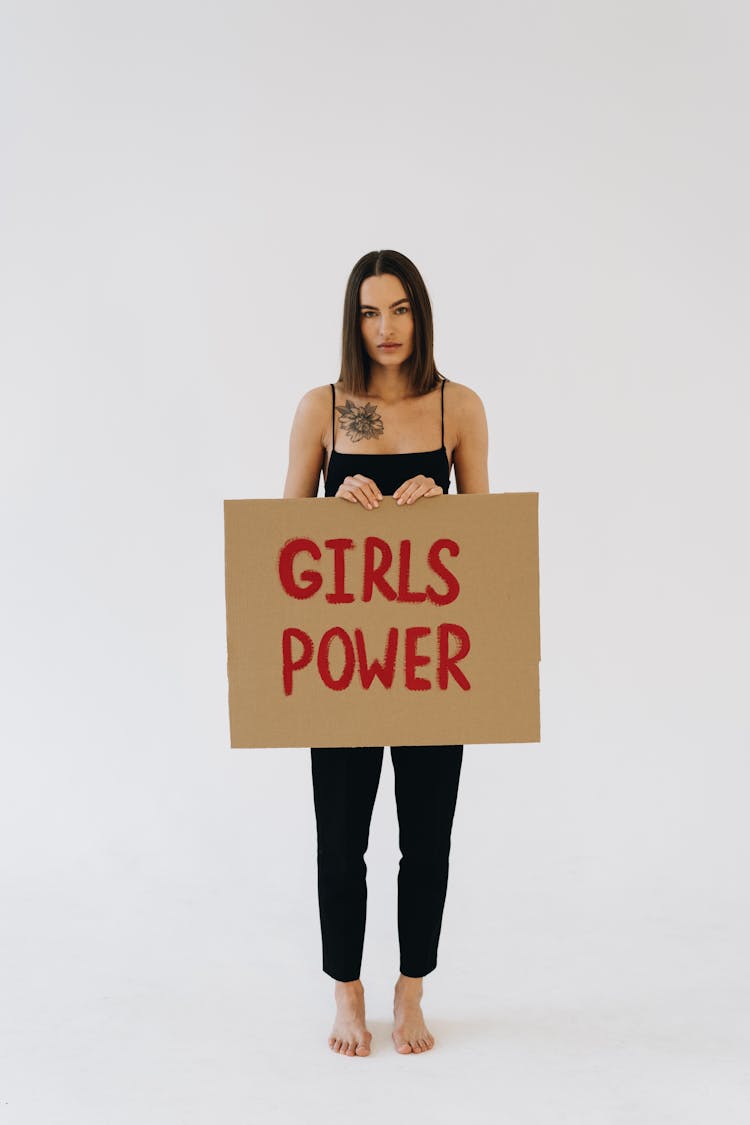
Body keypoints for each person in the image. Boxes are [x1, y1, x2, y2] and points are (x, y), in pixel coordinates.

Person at [283, 249, 489, 1057]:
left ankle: (411, 991)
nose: (386, 327)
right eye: (370, 312)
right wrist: (336, 507)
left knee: (427, 832)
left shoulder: (454, 410)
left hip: (429, 658)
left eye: (399, 309)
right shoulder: (334, 410)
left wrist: (444, 507)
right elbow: (281, 537)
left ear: (420, 313)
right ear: (352, 320)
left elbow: (488, 547)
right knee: (342, 833)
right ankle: (347, 992)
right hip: (344, 658)